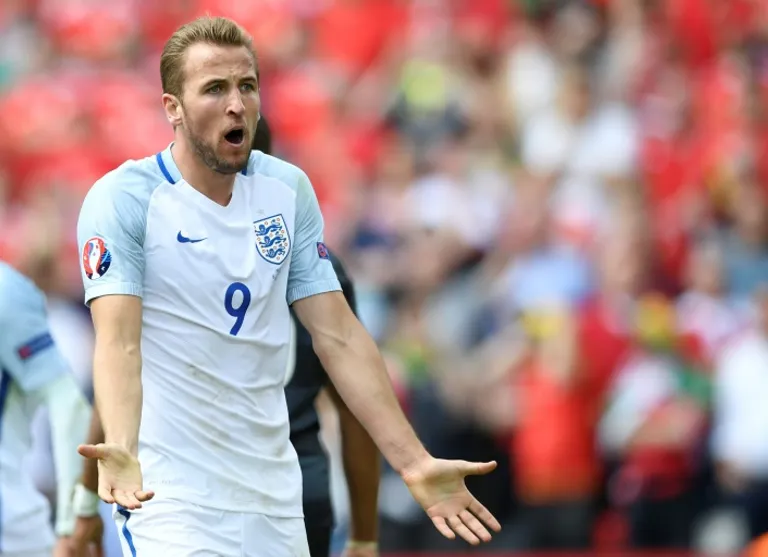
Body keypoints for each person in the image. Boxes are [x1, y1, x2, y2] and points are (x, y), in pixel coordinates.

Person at [75, 16, 500, 555]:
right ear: (172, 108)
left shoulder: (285, 189)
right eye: (215, 88)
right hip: (172, 496)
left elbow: (339, 336)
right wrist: (120, 448)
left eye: (247, 86)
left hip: (276, 499)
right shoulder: (124, 199)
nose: (237, 104)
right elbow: (118, 343)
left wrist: (413, 461)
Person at [0, 261, 92, 557]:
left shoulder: (6, 291)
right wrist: (75, 520)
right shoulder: (6, 288)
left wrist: (71, 523)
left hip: (13, 529)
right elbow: (71, 404)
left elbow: (69, 404)